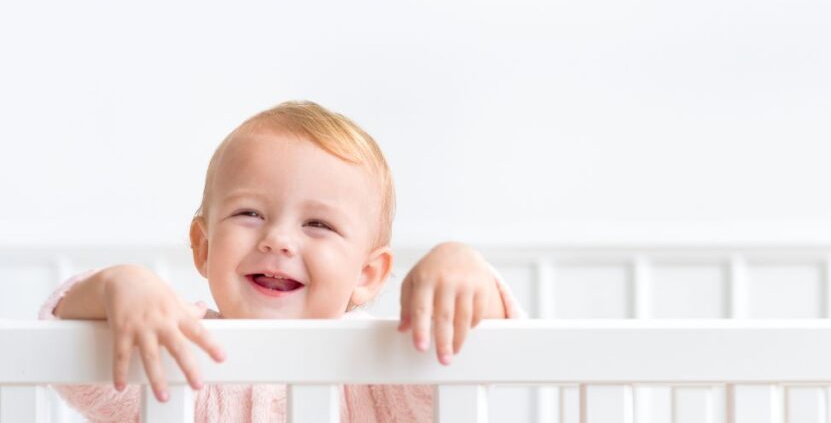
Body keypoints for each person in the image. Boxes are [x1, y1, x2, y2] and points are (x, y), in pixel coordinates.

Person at [39, 100, 523, 422]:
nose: (278, 240)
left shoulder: (382, 362)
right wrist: (118, 286)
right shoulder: (177, 348)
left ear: (368, 274)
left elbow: (474, 356)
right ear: (203, 246)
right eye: (250, 213)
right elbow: (62, 349)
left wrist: (461, 266)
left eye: (318, 225)